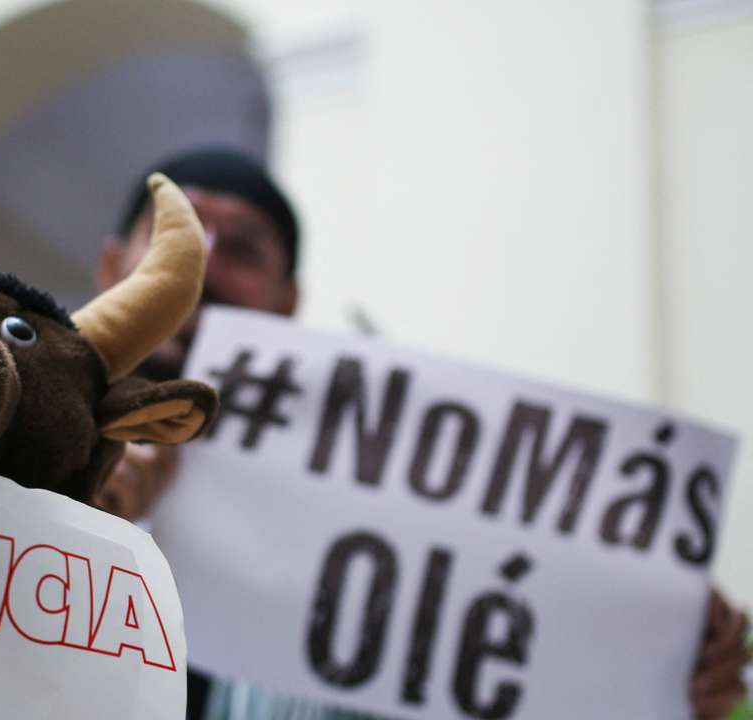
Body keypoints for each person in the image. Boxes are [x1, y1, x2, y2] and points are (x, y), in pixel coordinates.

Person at [90, 146, 751, 720]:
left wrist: (655, 671)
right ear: (112, 265)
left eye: (241, 248)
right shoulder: (7, 443)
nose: (201, 261)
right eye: (175, 230)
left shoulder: (377, 497)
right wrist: (66, 510)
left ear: (289, 301)